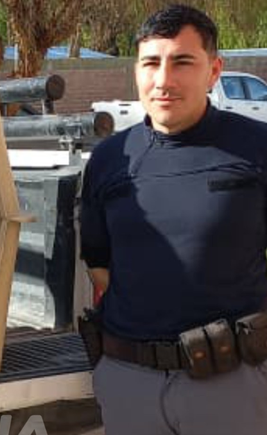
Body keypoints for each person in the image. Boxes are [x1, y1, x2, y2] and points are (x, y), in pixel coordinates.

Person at [80, 4, 267, 435]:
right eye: (151, 63)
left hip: (232, 386)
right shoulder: (109, 159)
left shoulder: (256, 148)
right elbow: (99, 266)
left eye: (182, 62)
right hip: (130, 383)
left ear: (214, 70)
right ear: (136, 71)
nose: (163, 80)